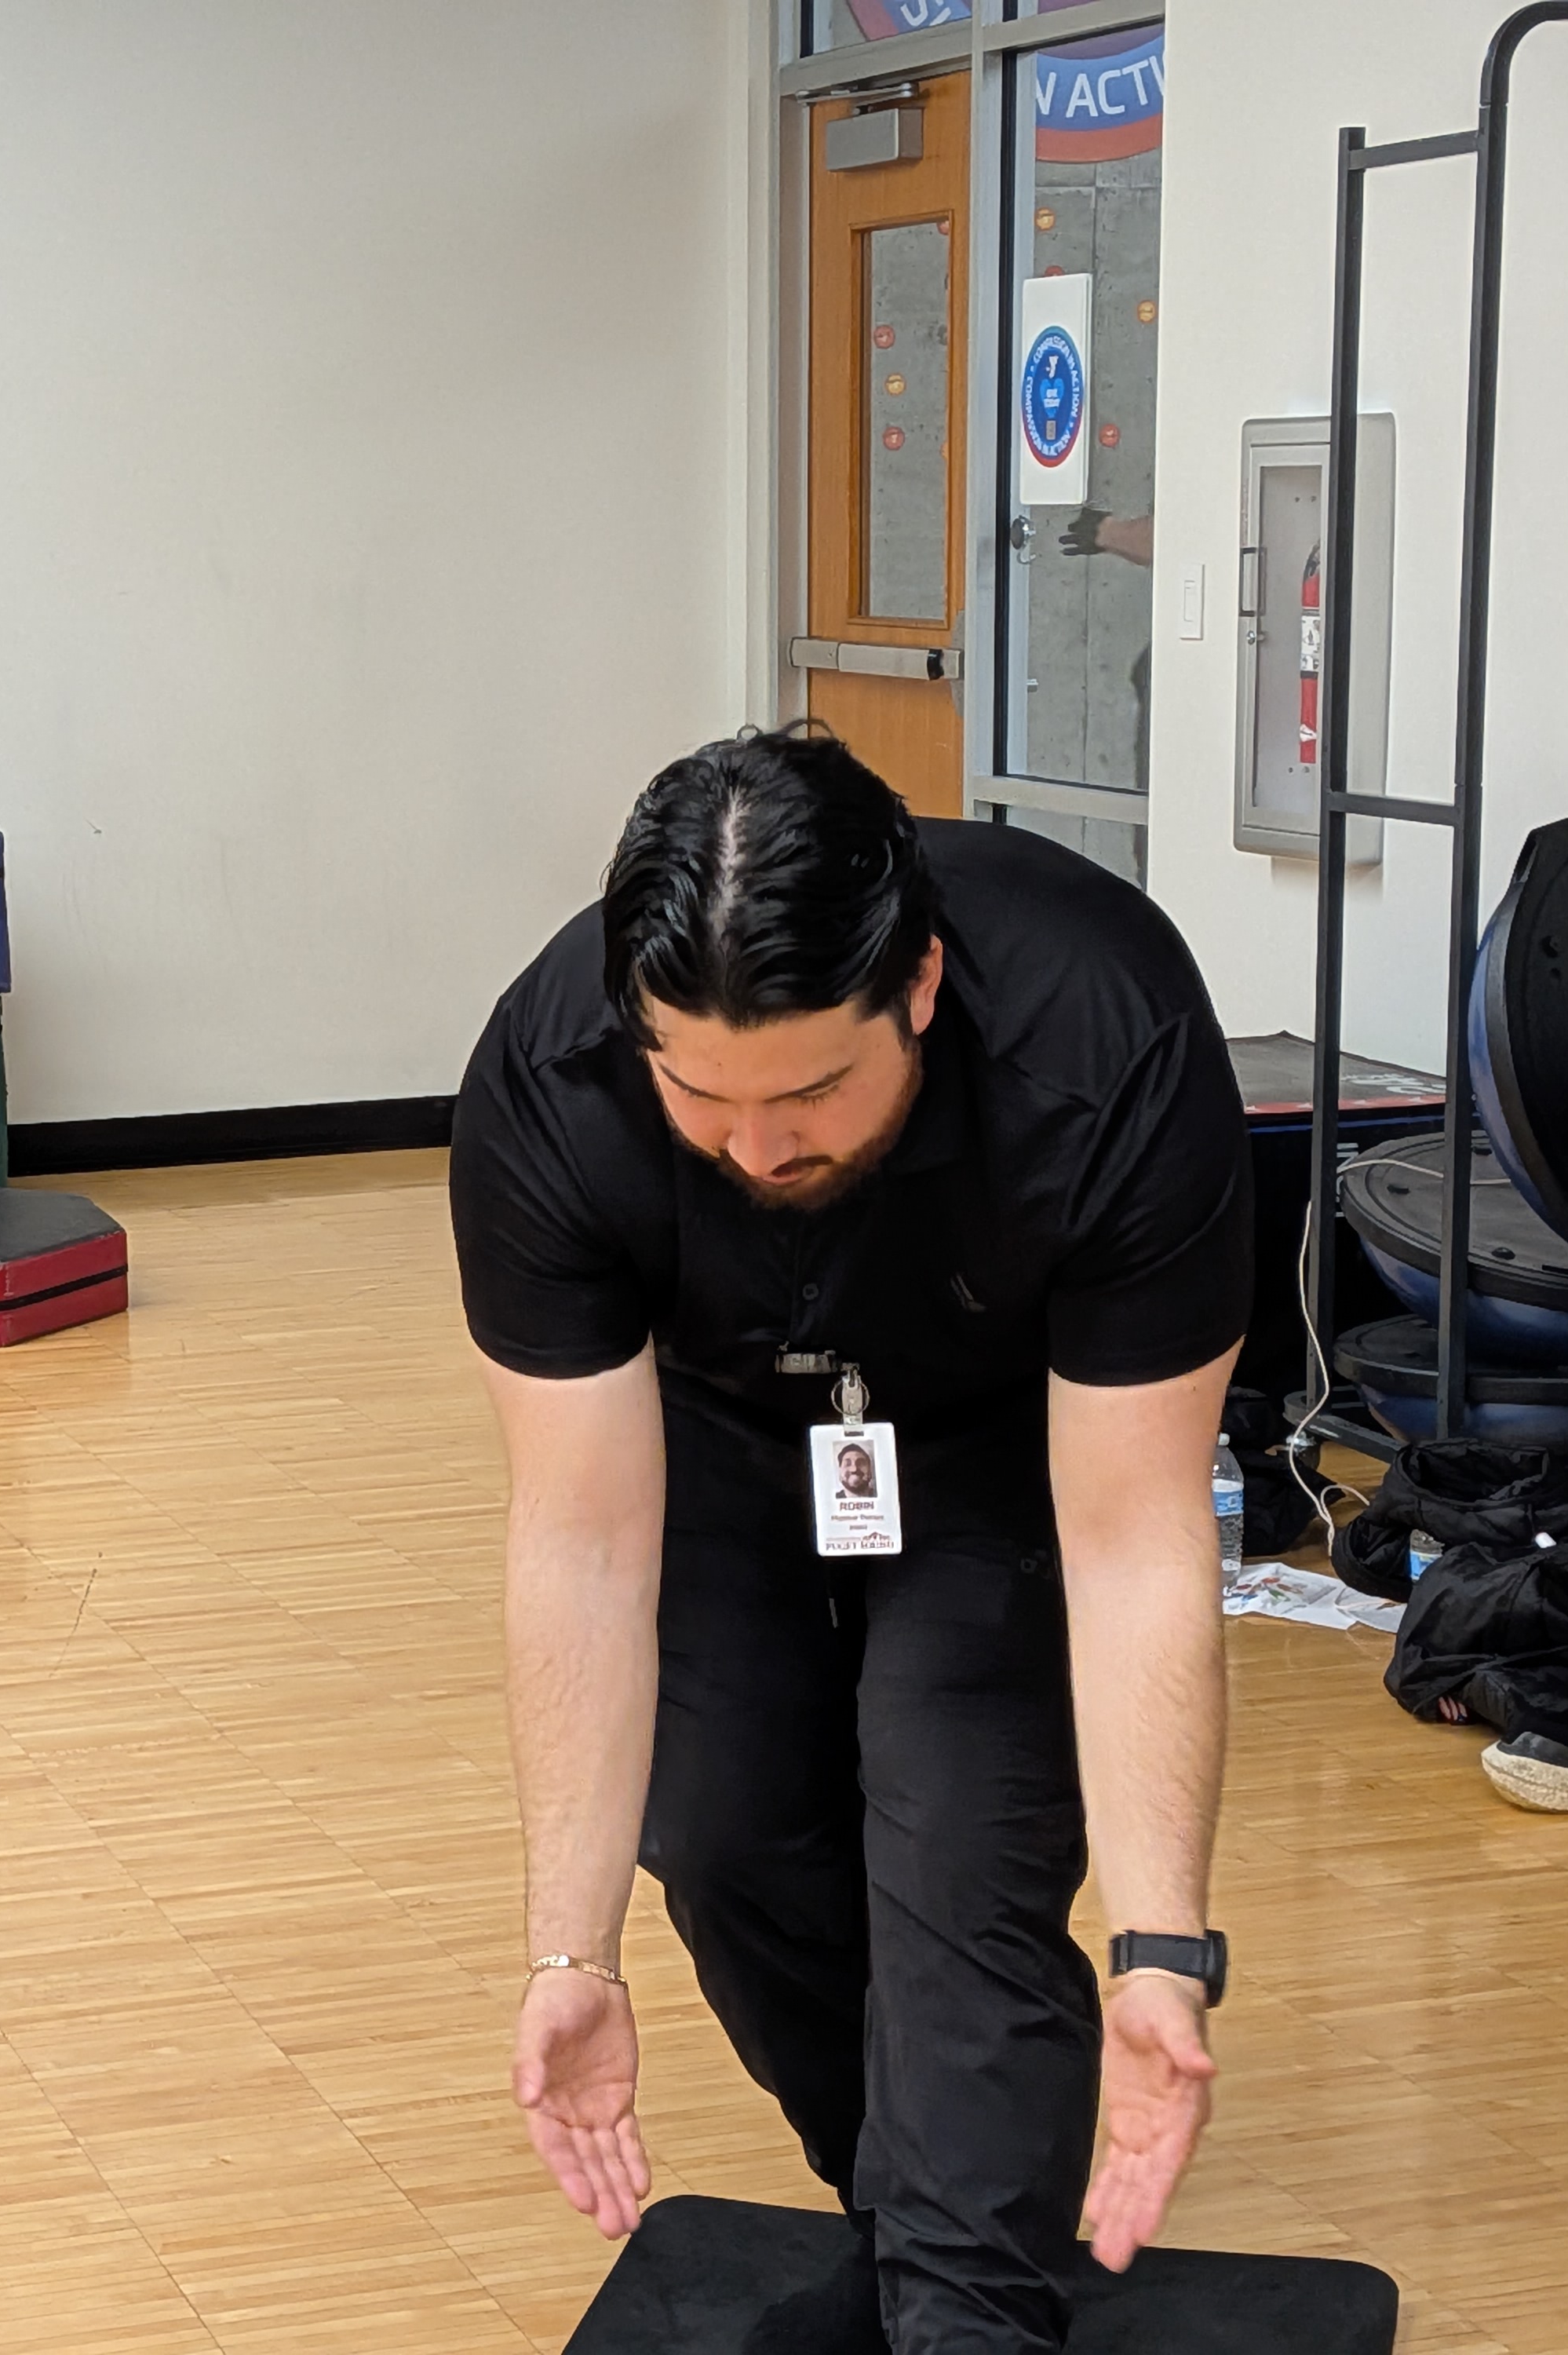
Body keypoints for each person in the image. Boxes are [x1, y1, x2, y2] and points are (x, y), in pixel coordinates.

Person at [450, 725, 1249, 2351]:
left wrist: (1161, 1949)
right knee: (722, 1834)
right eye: (701, 1097)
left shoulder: (1109, 1035)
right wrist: (568, 1955)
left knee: (953, 1850)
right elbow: (581, 1545)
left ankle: (963, 2296)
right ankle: (912, 2205)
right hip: (719, 1433)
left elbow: (1135, 1539)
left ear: (922, 988)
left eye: (813, 1091)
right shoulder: (547, 1083)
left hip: (1007, 1439)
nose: (756, 1147)